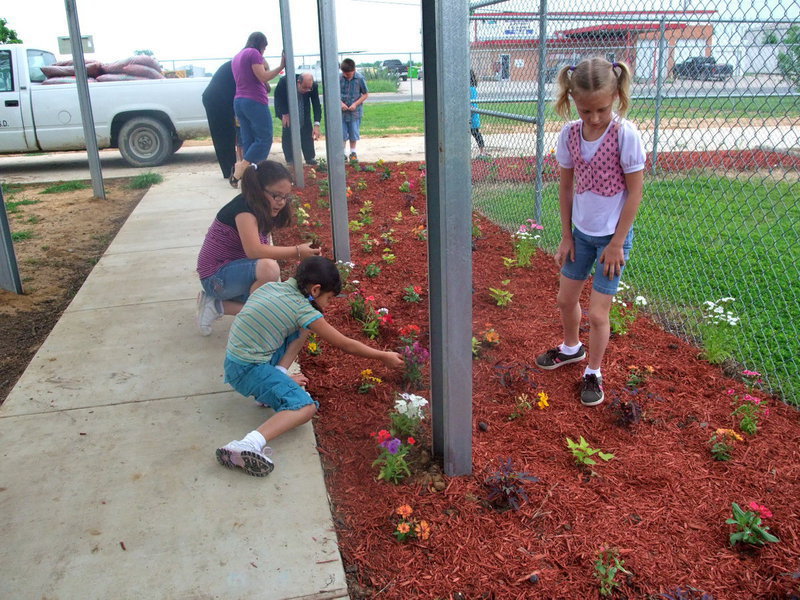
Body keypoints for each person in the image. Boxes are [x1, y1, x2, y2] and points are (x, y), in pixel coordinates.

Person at [216, 256, 405, 477]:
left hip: (238, 359)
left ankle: (276, 378)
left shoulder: (272, 288)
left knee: (304, 328)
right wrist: (383, 356)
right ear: (315, 290)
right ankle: (247, 444)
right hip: (247, 369)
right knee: (305, 408)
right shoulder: (302, 309)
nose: (329, 304)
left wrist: (278, 376)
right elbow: (346, 344)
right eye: (330, 297)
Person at [534, 57, 645, 407]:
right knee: (565, 300)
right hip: (580, 234)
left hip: (612, 239)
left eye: (601, 109)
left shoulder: (626, 135)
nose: (594, 118)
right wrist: (566, 235)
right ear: (571, 101)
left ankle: (593, 372)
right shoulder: (569, 135)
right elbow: (565, 189)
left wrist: (616, 243)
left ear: (615, 98)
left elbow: (636, 192)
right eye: (585, 111)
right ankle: (571, 349)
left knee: (598, 313)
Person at [196, 160, 320, 335]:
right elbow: (254, 251)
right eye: (276, 195)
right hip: (215, 279)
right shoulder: (244, 209)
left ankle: (217, 306)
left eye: (285, 196)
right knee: (269, 270)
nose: (281, 202)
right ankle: (252, 319)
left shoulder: (261, 207)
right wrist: (297, 251)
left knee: (276, 298)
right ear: (258, 189)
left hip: (232, 274)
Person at [231, 32, 286, 183]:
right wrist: (281, 66)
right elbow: (263, 77)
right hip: (254, 100)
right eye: (265, 48)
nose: (264, 52)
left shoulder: (237, 57)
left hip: (239, 101)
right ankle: (241, 168)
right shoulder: (254, 53)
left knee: (249, 139)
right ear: (261, 44)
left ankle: (251, 177)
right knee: (264, 138)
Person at [274, 72, 322, 166]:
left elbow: (316, 105)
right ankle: (290, 158)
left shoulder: (313, 86)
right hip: (287, 108)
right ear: (298, 82)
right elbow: (278, 98)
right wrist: (284, 113)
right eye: (305, 87)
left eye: (309, 88)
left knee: (306, 127)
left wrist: (316, 124)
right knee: (288, 130)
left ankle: (309, 157)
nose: (308, 90)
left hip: (303, 108)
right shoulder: (284, 82)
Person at [202, 60, 237, 182]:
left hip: (218, 99)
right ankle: (229, 170)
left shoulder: (235, 63)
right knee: (225, 135)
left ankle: (229, 169)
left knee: (225, 135)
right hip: (217, 100)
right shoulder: (242, 64)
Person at [339, 58, 368, 161]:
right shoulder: (339, 78)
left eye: (349, 74)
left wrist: (355, 104)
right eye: (345, 74)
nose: (347, 76)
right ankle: (342, 153)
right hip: (341, 112)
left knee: (353, 132)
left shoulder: (360, 78)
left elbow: (365, 94)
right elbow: (334, 94)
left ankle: (353, 152)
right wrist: (340, 103)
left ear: (354, 70)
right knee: (341, 133)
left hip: (355, 112)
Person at [470, 69, 489, 159]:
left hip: (472, 115)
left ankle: (482, 151)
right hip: (468, 115)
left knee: (476, 133)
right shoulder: (469, 88)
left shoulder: (471, 89)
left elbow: (472, 104)